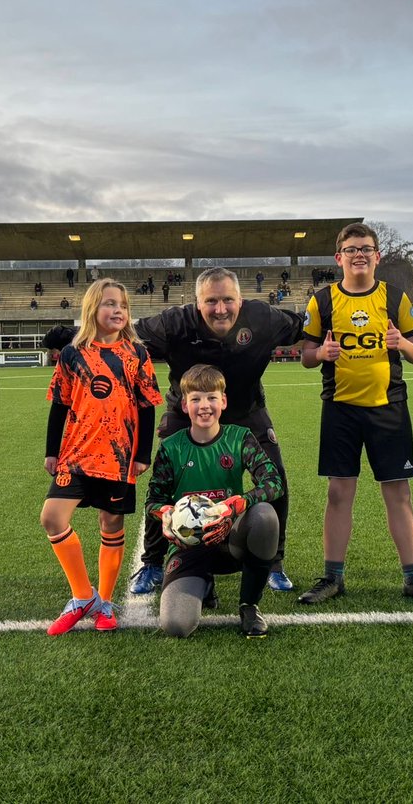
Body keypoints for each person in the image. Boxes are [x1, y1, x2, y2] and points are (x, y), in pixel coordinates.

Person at [129, 266, 304, 595]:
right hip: (189, 409)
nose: (220, 309)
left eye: (227, 300)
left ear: (241, 300)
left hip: (246, 409)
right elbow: (127, 337)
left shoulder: (264, 318)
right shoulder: (174, 323)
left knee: (275, 475)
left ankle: (274, 563)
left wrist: (324, 348)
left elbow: (306, 326)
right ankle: (152, 562)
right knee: (163, 482)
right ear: (197, 303)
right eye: (211, 301)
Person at [297, 222, 413, 606]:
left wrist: (402, 344)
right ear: (338, 257)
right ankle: (332, 577)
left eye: (366, 248)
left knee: (398, 493)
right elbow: (306, 356)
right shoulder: (322, 301)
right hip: (340, 409)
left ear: (377, 256)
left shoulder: (395, 297)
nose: (358, 254)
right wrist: (321, 355)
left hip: (388, 409)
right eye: (351, 249)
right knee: (339, 492)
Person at [40, 279, 163, 634]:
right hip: (75, 454)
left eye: (123, 305)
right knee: (52, 518)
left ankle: (105, 602)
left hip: (118, 457)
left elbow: (147, 405)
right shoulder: (71, 354)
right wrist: (52, 450)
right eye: (110, 304)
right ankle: (83, 596)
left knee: (111, 524)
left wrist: (141, 455)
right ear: (92, 309)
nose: (118, 311)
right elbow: (60, 404)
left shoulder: (136, 354)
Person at [147, 365, 284, 638]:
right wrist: (165, 514)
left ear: (223, 401)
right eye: (196, 399)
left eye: (211, 397)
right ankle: (204, 584)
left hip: (229, 540)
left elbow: (273, 483)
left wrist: (235, 505)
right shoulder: (171, 447)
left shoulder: (240, 437)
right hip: (188, 546)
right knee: (176, 626)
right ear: (185, 406)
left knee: (265, 516)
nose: (204, 406)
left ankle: (249, 605)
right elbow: (153, 500)